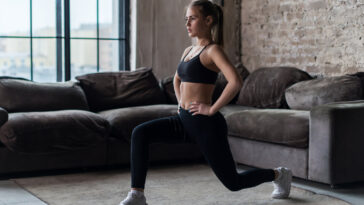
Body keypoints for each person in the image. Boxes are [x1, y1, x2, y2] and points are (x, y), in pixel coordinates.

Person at [120, 1, 292, 204]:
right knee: (140, 133)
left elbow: (235, 81)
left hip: (205, 124)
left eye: (192, 18)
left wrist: (212, 109)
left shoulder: (213, 51)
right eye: (186, 19)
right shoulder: (188, 51)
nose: (187, 24)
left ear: (208, 20)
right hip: (184, 119)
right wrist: (180, 103)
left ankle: (279, 175)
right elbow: (176, 79)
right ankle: (137, 194)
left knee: (233, 182)